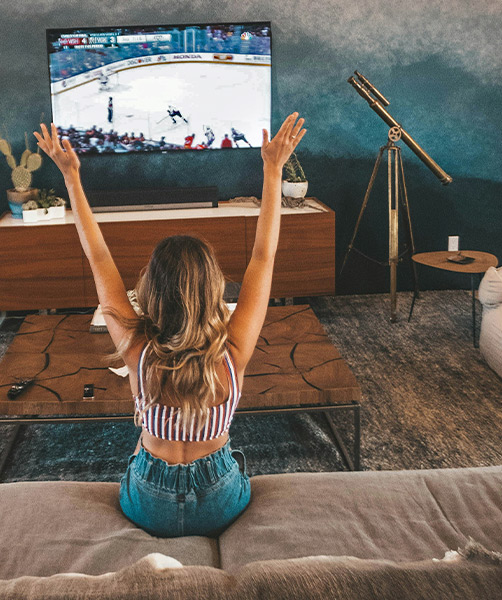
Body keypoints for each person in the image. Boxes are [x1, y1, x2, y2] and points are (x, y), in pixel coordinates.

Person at [34, 112, 306, 537]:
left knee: (135, 458)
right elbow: (263, 257)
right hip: (219, 501)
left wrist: (71, 177)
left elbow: (99, 257)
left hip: (148, 503)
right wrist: (272, 170)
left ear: (151, 292)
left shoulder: (137, 350)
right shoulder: (233, 353)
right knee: (238, 463)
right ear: (213, 289)